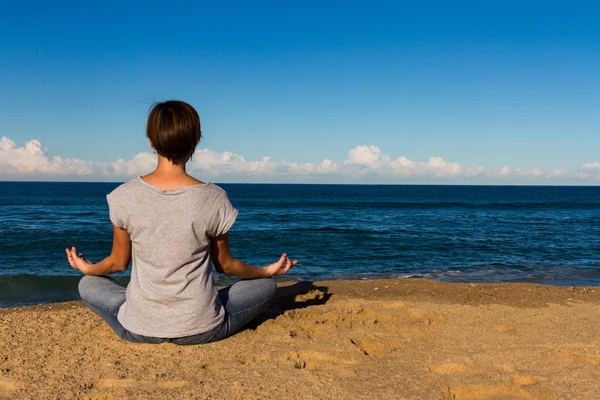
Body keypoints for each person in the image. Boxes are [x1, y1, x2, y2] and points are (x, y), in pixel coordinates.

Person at [65, 100, 297, 345]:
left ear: (151, 140)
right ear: (195, 141)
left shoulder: (124, 195)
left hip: (140, 328)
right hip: (201, 328)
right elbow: (226, 266)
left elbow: (117, 263)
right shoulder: (214, 197)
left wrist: (88, 268)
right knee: (267, 285)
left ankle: (140, 308)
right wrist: (266, 271)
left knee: (88, 283)